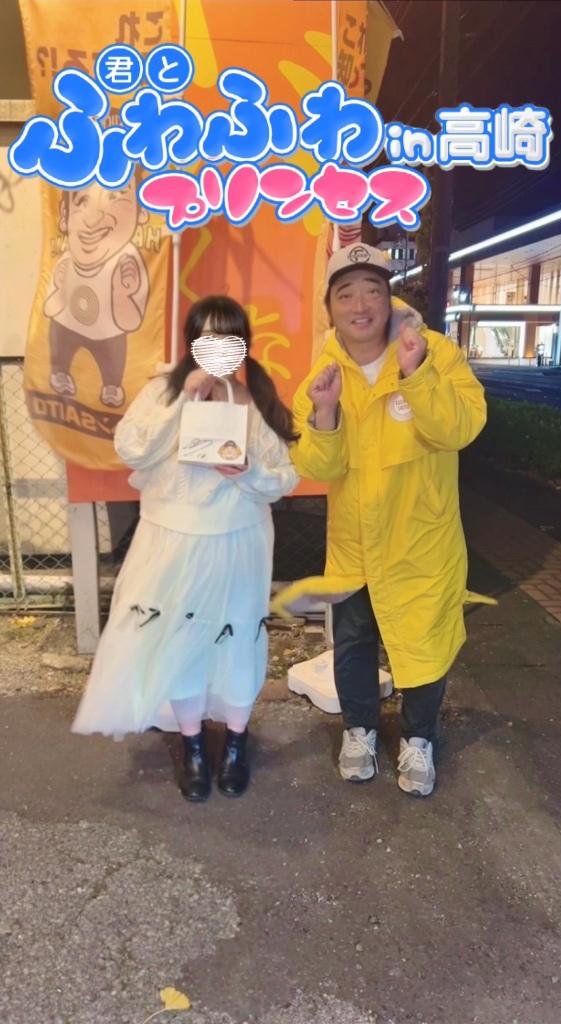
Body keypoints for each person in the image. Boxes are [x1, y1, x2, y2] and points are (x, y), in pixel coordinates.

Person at [274, 243, 489, 797]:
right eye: (345, 294)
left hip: (423, 538)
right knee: (353, 642)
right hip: (355, 544)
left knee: (426, 640)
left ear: (388, 297)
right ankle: (359, 730)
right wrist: (325, 413)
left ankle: (418, 738)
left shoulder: (435, 352)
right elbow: (318, 467)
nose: (360, 304)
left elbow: (460, 429)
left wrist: (416, 373)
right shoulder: (322, 376)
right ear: (329, 307)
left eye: (372, 290)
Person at [72, 295, 299, 802]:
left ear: (244, 345)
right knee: (179, 642)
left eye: (230, 338)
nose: (218, 348)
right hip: (170, 540)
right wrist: (184, 401)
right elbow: (131, 448)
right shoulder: (162, 391)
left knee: (237, 641)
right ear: (191, 343)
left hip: (238, 540)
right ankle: (192, 744)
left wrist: (248, 472)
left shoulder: (254, 399)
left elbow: (285, 478)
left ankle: (236, 742)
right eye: (207, 338)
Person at [44, 178, 149, 409]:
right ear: (64, 215)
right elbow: (50, 308)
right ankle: (60, 371)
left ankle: (112, 385)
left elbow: (131, 322)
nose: (93, 218)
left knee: (114, 355)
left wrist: (122, 295)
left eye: (114, 197)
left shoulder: (126, 262)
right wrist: (59, 289)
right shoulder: (66, 260)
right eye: (82, 201)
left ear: (141, 212)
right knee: (59, 338)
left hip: (108, 335)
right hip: (68, 325)